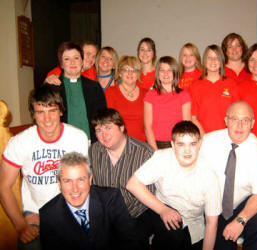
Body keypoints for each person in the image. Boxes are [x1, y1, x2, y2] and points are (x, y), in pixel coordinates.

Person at [0, 85, 89, 249]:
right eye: (40, 112)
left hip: (70, 208)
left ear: (61, 111)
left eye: (52, 111)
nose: (47, 118)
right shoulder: (20, 142)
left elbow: (83, 182)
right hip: (34, 212)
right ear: (33, 114)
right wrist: (21, 226)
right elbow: (3, 186)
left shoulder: (77, 137)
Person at [126, 121, 221, 250]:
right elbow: (132, 184)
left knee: (179, 237)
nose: (187, 150)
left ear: (199, 144)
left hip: (192, 224)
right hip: (159, 210)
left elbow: (212, 223)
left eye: (192, 144)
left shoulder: (210, 176)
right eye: (181, 144)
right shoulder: (162, 157)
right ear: (172, 145)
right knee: (132, 234)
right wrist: (162, 210)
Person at [200, 101, 257, 250]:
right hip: (210, 206)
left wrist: (241, 220)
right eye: (234, 119)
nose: (239, 126)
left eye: (245, 120)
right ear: (226, 121)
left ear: (252, 123)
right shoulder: (208, 141)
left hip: (240, 206)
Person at [39, 152, 137, 250]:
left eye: (81, 180)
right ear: (59, 184)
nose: (75, 189)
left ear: (90, 180)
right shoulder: (48, 215)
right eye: (68, 181)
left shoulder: (111, 199)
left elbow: (130, 241)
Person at [89, 108, 155, 249]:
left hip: (136, 215)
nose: (104, 135)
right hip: (104, 217)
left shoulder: (144, 153)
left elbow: (152, 194)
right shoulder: (93, 151)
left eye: (108, 128)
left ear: (122, 127)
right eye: (99, 130)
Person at [46, 41, 107, 143]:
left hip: (90, 143)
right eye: (67, 59)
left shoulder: (94, 87)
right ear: (61, 63)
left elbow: (103, 119)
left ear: (82, 61)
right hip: (61, 143)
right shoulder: (52, 87)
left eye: (76, 58)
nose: (72, 62)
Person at [191, 44, 240, 135]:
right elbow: (193, 117)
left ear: (221, 61)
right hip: (204, 137)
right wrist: (204, 137)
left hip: (228, 136)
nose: (213, 61)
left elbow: (237, 114)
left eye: (216, 57)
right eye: (209, 57)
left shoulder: (231, 84)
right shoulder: (196, 85)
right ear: (204, 61)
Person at [144, 56, 191, 150]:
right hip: (155, 144)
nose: (166, 73)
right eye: (162, 70)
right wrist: (155, 151)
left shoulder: (184, 95)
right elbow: (147, 126)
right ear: (158, 73)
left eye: (169, 70)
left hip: (178, 145)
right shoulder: (150, 95)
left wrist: (180, 148)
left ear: (175, 73)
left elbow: (187, 127)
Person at [105, 56, 147, 141]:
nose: (130, 73)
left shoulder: (146, 94)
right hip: (117, 143)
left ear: (138, 73)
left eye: (133, 70)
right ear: (120, 73)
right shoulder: (110, 92)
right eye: (126, 70)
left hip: (142, 145)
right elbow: (108, 122)